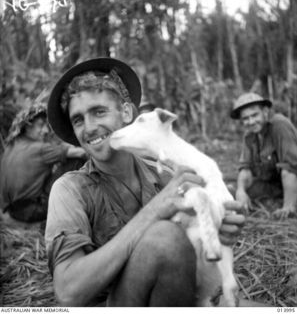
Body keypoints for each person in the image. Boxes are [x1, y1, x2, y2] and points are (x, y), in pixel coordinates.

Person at [45, 57, 245, 307]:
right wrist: (154, 211)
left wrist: (219, 228)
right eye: (78, 120)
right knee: (164, 238)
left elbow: (197, 253)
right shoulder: (69, 190)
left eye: (99, 112)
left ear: (127, 112)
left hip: (179, 296)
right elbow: (68, 292)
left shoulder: (165, 175)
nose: (90, 127)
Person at [0, 103, 87, 223]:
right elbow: (81, 153)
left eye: (46, 126)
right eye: (40, 126)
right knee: (76, 161)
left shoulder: (12, 146)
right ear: (28, 127)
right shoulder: (40, 148)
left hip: (13, 212)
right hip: (33, 210)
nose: (45, 130)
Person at [231, 92, 297, 219]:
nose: (251, 121)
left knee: (286, 173)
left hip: (292, 181)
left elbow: (291, 167)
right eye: (245, 118)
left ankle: (289, 205)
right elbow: (245, 169)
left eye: (255, 115)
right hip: (273, 186)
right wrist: (240, 191)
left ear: (265, 111)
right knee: (232, 192)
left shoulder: (279, 125)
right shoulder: (249, 136)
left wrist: (288, 207)